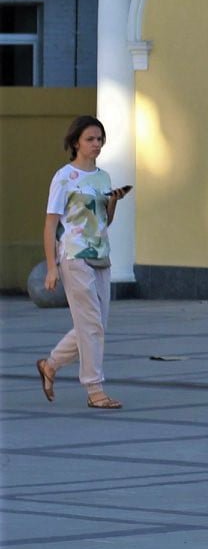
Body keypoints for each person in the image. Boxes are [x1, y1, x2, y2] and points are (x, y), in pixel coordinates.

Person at [35, 116, 131, 410]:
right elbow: (51, 224)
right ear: (76, 141)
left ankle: (50, 365)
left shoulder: (102, 177)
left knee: (94, 325)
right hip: (74, 256)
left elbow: (104, 221)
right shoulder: (64, 177)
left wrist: (113, 201)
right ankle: (94, 388)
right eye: (90, 139)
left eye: (100, 139)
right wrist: (52, 267)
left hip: (101, 255)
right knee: (91, 325)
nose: (96, 144)